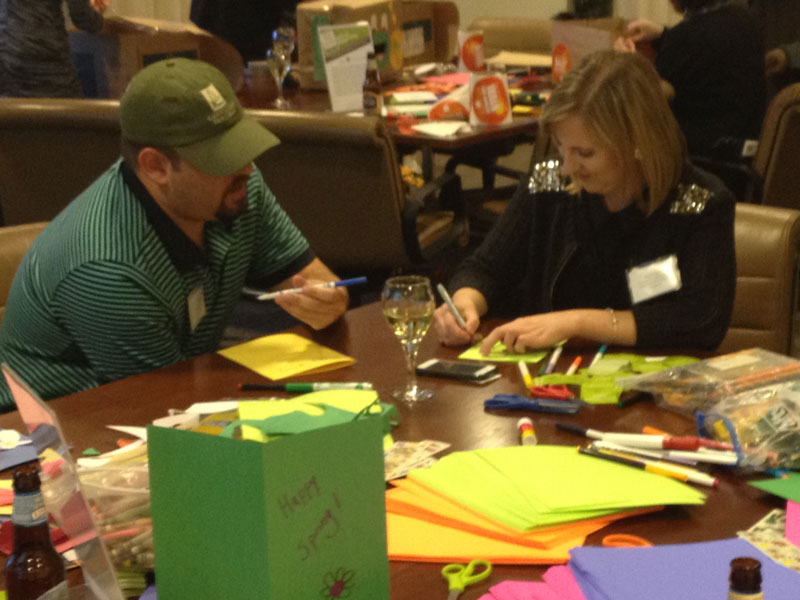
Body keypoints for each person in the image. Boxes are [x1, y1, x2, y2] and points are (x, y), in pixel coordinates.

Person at [0, 58, 348, 409]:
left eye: (242, 145)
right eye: (222, 157)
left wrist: (328, 300)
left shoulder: (236, 190)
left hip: (167, 388)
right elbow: (169, 410)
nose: (246, 167)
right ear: (156, 167)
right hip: (52, 426)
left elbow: (314, 279)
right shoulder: (107, 268)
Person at [433, 50, 736, 356]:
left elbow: (701, 320)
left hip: (652, 376)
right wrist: (464, 303)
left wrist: (577, 323)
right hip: (546, 375)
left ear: (637, 142)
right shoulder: (549, 182)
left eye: (585, 153)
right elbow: (485, 269)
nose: (567, 168)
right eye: (561, 147)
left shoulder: (699, 201)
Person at [615, 0, 766, 158]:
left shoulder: (685, 38)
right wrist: (664, 34)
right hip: (744, 153)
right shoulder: (746, 19)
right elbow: (705, 54)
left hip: (699, 158)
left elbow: (651, 96)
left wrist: (629, 64)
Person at [0, 0, 107, 98]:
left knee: (12, 110)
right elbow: (82, 16)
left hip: (7, 57)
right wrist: (100, 20)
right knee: (67, 110)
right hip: (49, 59)